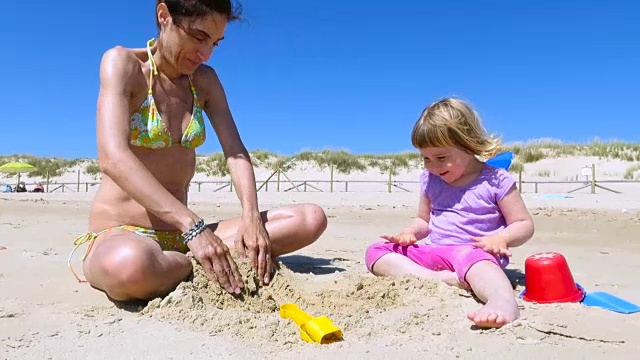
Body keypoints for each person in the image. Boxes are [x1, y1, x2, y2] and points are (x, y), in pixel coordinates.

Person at [68, 0, 328, 303]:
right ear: (164, 16)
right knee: (130, 268)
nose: (206, 54)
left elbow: (235, 153)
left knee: (310, 218)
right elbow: (113, 158)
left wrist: (251, 218)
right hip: (123, 234)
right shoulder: (124, 65)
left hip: (183, 238)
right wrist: (193, 226)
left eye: (215, 43)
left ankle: (185, 264)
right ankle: (197, 265)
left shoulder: (204, 81)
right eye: (198, 37)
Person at [364, 97, 534, 329]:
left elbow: (523, 224)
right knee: (376, 251)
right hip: (434, 253)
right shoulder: (430, 180)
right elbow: (423, 221)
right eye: (426, 158)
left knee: (482, 266)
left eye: (441, 157)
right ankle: (436, 279)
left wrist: (502, 238)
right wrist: (410, 233)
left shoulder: (496, 180)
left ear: (467, 143)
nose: (433, 166)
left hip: (474, 253)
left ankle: (502, 303)